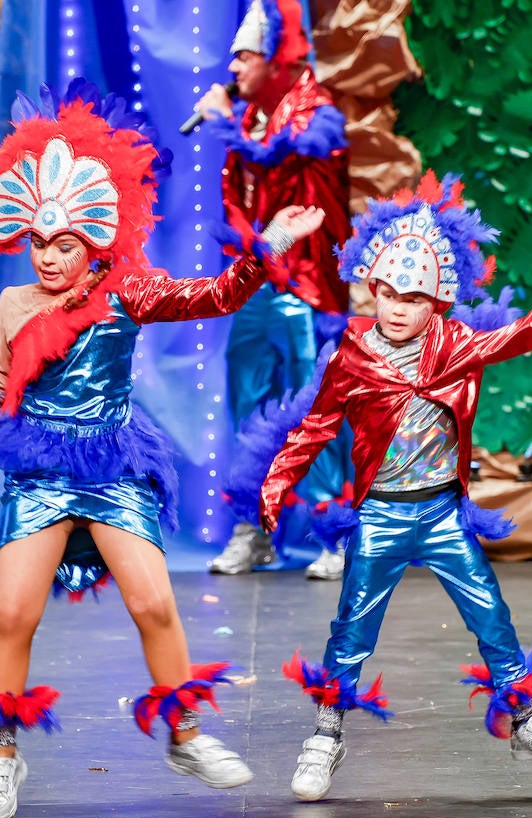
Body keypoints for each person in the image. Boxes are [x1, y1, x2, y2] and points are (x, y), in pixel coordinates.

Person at [0, 80, 323, 818]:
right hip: (41, 468)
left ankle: (185, 734)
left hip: (114, 465)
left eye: (65, 244)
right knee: (11, 616)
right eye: (38, 243)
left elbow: (215, 295)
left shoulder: (128, 291)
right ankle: (1, 756)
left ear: (93, 239)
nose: (51, 257)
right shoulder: (15, 306)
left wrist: (269, 248)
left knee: (155, 602)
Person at [259, 172, 532, 802]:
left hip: (442, 515)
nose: (398, 308)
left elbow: (529, 331)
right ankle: (325, 734)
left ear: (438, 303)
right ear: (371, 288)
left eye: (413, 298)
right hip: (380, 516)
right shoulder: (351, 356)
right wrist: (276, 484)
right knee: (352, 628)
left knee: (491, 614)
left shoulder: (458, 347)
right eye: (388, 294)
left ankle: (526, 720)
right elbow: (315, 426)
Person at [195, 0, 354, 580]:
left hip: (309, 288)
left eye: (243, 56)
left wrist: (225, 127)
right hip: (262, 284)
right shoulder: (252, 116)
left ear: (273, 59)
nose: (232, 68)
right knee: (249, 406)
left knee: (316, 409)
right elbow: (240, 195)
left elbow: (289, 169)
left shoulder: (316, 111)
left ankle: (334, 535)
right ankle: (254, 529)